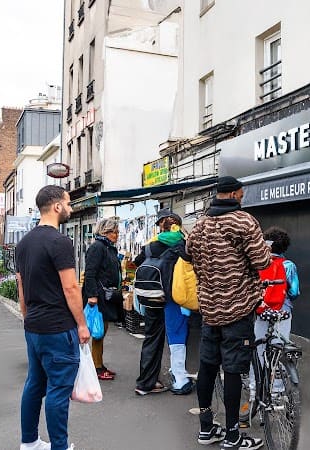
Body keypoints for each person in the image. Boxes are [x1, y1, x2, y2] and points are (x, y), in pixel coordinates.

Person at [187, 176, 270, 449]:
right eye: (241, 194)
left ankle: (206, 429)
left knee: (208, 368)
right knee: (233, 370)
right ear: (234, 194)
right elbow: (261, 261)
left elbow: (188, 254)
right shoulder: (244, 221)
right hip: (237, 308)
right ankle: (234, 435)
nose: (242, 198)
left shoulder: (199, 225)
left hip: (209, 309)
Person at [16, 185, 90, 450]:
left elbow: (21, 286)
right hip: (58, 328)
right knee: (59, 390)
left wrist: (28, 318)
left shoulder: (24, 243)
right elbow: (71, 287)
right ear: (57, 206)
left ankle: (30, 443)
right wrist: (82, 324)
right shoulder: (60, 242)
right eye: (68, 203)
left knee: (34, 384)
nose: (70, 208)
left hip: (34, 327)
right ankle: (59, 446)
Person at [243, 226, 300, 425]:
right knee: (279, 347)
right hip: (283, 312)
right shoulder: (289, 265)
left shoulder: (258, 263)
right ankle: (277, 390)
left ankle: (254, 390)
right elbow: (294, 291)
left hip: (260, 310)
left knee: (258, 349)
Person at [134, 209, 189, 396]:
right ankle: (180, 379)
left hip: (151, 296)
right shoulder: (181, 243)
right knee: (176, 335)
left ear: (160, 226)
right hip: (173, 296)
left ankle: (145, 382)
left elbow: (136, 261)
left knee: (152, 337)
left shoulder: (151, 244)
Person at [82, 217, 124, 381]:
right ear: (105, 232)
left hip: (104, 296)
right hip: (97, 296)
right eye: (114, 232)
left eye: (117, 231)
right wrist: (92, 296)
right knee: (98, 331)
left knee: (101, 330)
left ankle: (98, 364)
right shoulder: (98, 247)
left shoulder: (107, 248)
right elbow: (90, 273)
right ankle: (96, 367)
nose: (117, 235)